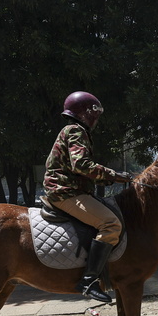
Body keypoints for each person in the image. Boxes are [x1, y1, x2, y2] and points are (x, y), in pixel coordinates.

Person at [43, 91, 132, 304]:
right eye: (95, 115)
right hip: (66, 192)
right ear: (86, 113)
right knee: (111, 223)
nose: (96, 120)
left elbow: (82, 171)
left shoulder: (71, 130)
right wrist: (115, 175)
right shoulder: (75, 130)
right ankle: (89, 280)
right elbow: (81, 165)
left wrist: (109, 179)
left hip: (70, 189)